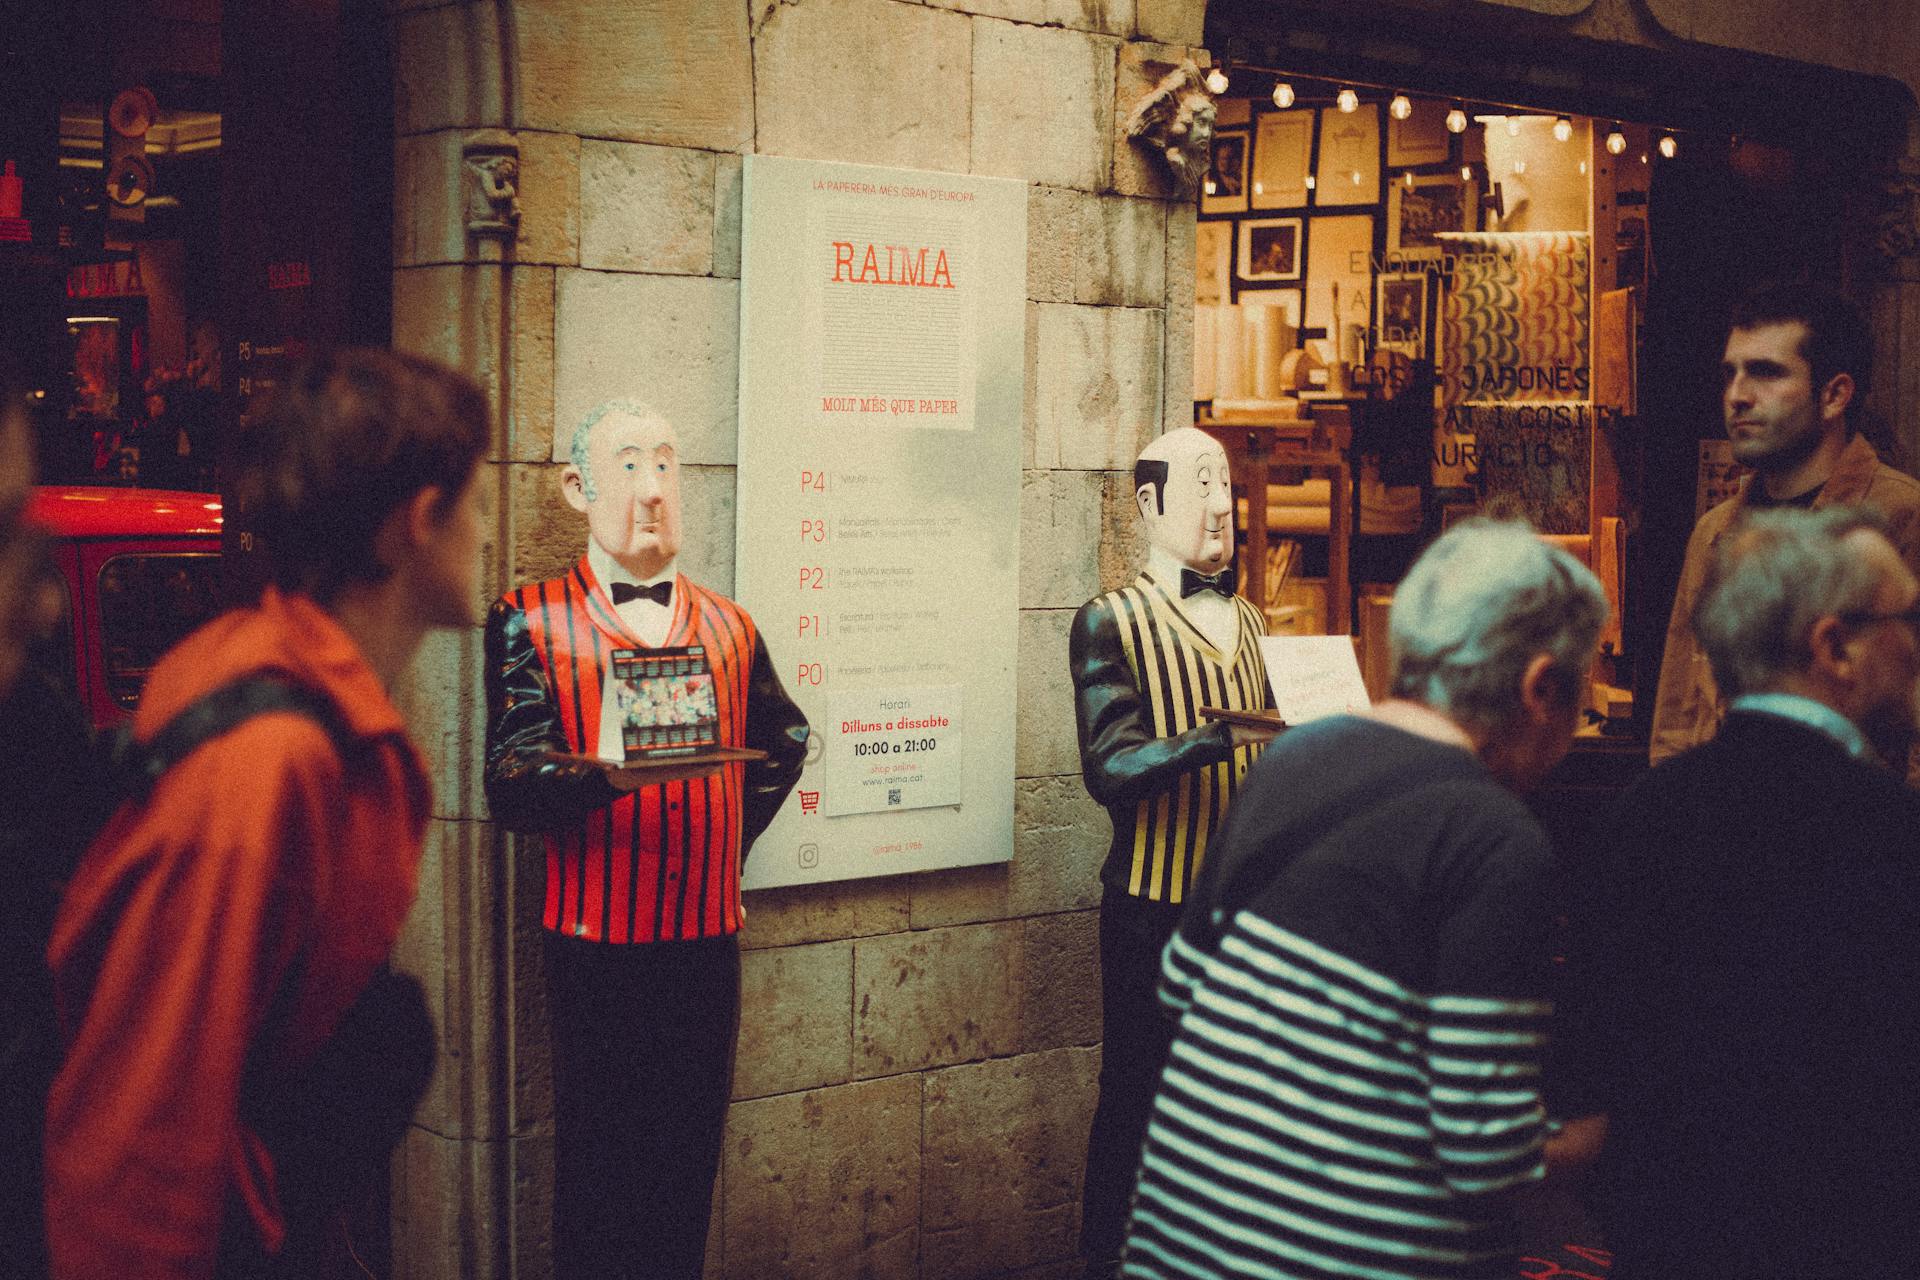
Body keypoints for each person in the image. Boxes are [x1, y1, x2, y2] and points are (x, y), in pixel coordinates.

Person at [42, 349, 487, 1278]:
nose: (486, 531)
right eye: (475, 503)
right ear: (418, 523)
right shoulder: (269, 759)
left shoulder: (264, 668)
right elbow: (146, 1124)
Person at [1120, 518, 1610, 1280]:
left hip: (1177, 1252)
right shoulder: (1496, 838)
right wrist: (1604, 1134)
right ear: (1541, 687)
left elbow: (1180, 987)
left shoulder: (1291, 758)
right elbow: (1484, 1154)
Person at [483, 400, 808, 1280]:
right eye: (630, 466)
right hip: (596, 946)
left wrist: (727, 851)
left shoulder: (732, 627)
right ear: (578, 487)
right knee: (598, 1162)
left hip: (705, 947)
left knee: (686, 1162)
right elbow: (508, 780)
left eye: (667, 465)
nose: (654, 489)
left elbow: (786, 741)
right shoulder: (531, 619)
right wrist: (599, 779)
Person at [1562, 507, 1920, 1278]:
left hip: (1666, 1246)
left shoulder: (1638, 819)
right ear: (1835, 647)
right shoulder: (1894, 833)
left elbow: (1588, 1081)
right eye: (1908, 619)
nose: (1917, 647)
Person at [1069, 426, 1278, 1279]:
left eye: (1225, 484)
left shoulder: (1258, 622)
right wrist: (1209, 740)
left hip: (1250, 911)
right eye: (1202, 485)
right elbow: (1110, 766)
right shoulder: (1108, 621)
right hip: (1153, 907)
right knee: (1137, 1102)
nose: (1223, 505)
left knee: (1241, 1108)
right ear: (1150, 506)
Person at [1651, 284, 1920, 767]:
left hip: (1858, 825)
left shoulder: (1901, 518)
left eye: (1766, 373)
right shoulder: (1717, 533)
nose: (1737, 396)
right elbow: (1678, 716)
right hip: (1726, 822)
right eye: (1730, 373)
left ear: (1834, 395)